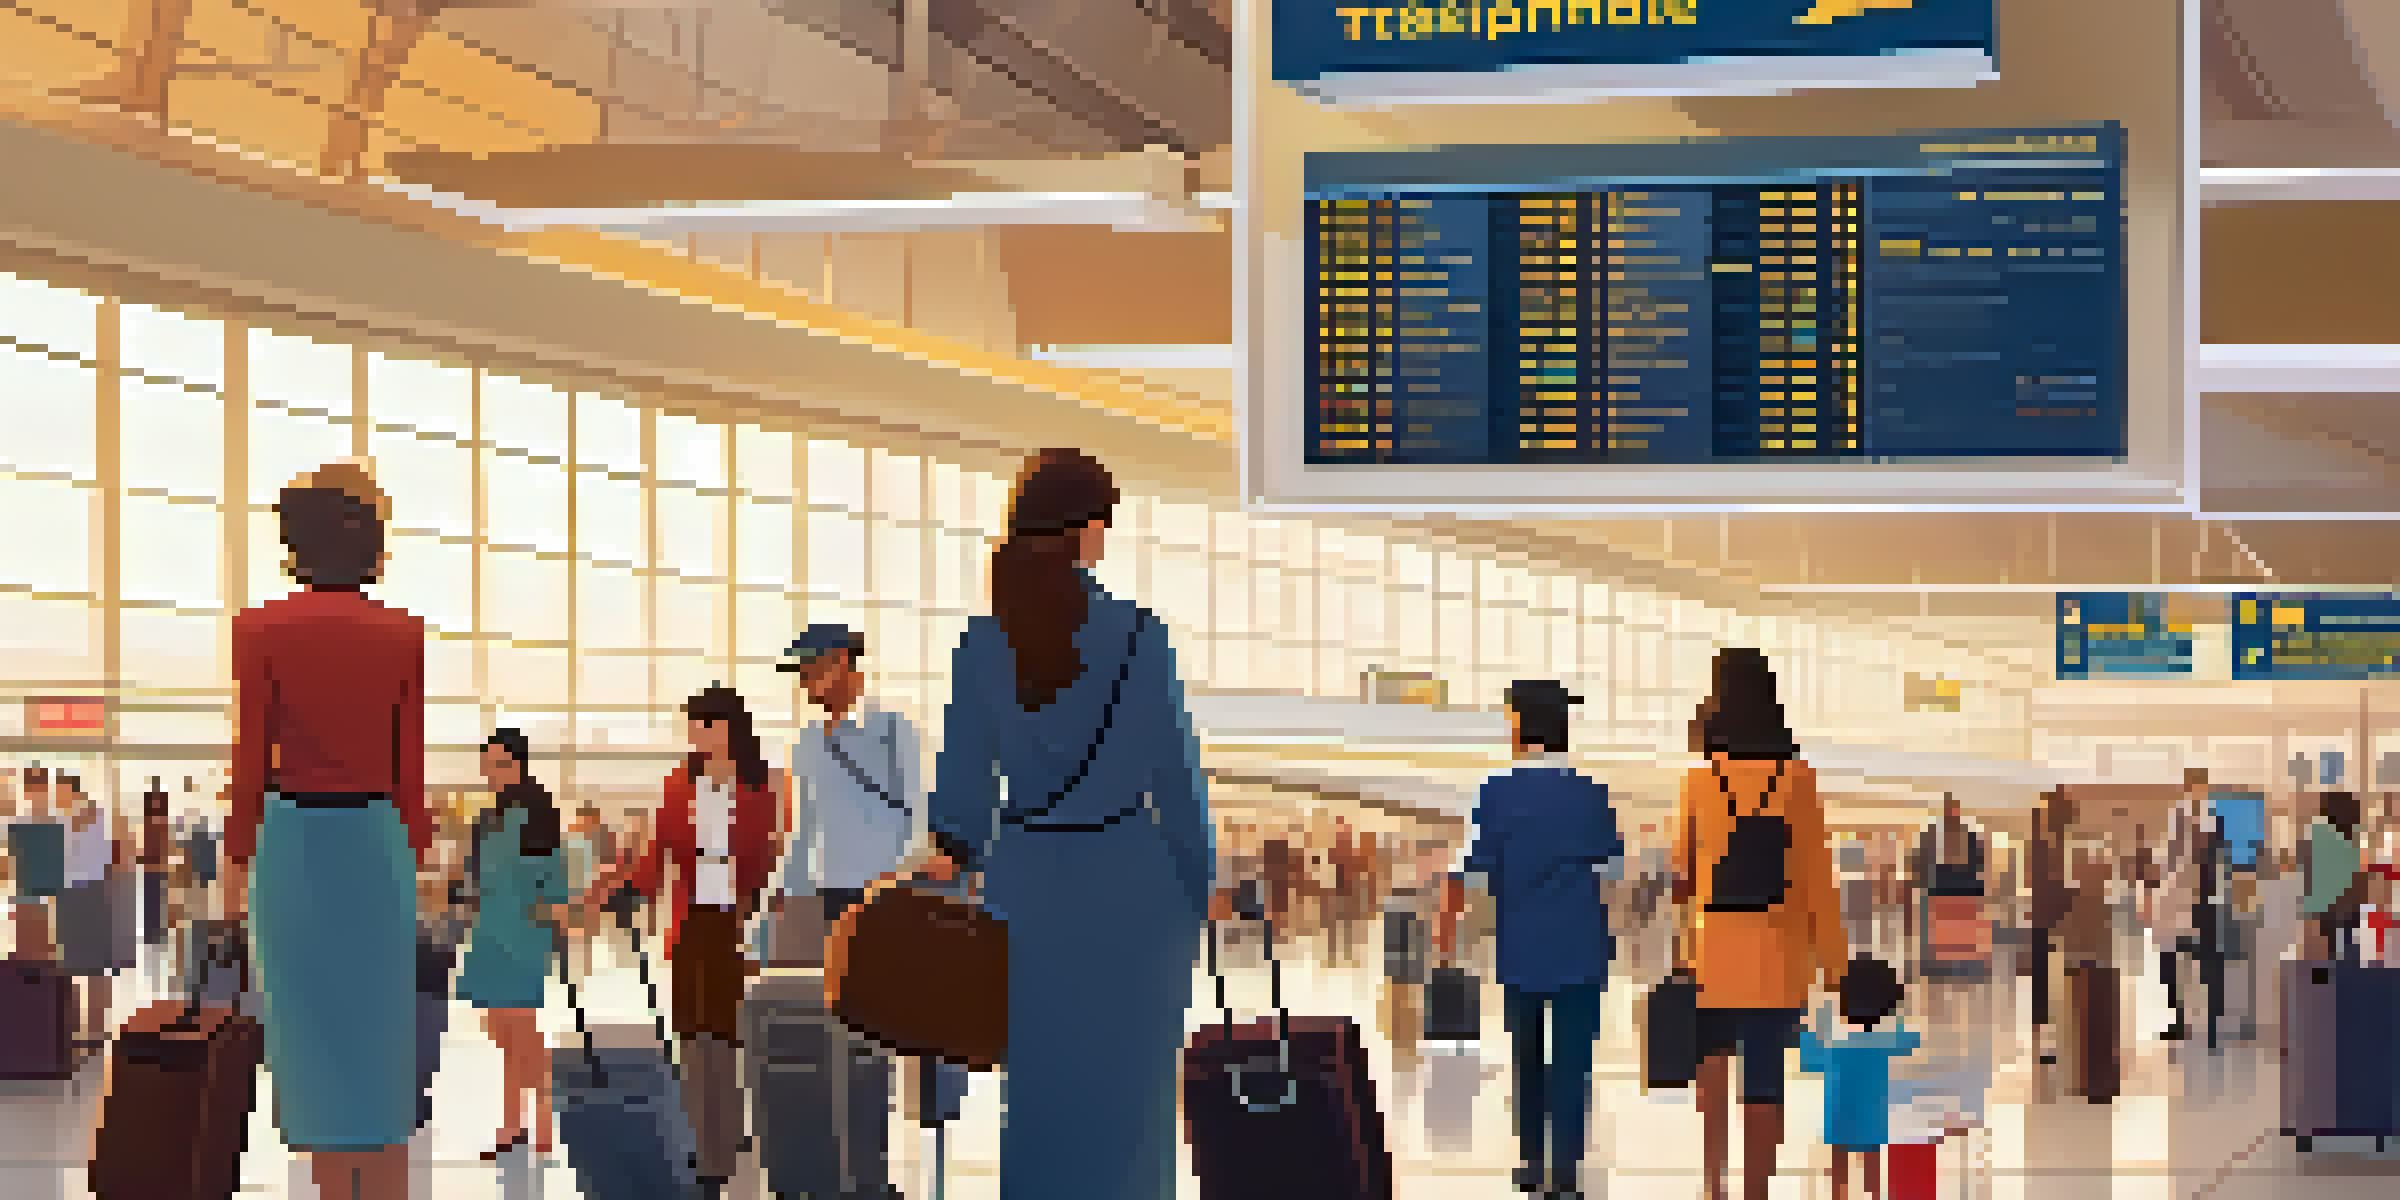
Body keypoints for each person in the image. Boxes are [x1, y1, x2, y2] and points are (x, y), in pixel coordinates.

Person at [918, 448, 1215, 1200]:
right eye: (1102, 525)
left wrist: (950, 862)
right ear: (1082, 531)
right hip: (1131, 886)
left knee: (1041, 1103)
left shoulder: (981, 647)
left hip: (1028, 895)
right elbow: (1177, 783)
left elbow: (962, 796)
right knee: (1131, 1104)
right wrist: (1192, 888)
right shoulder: (1143, 639)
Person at [228, 460, 430, 1200]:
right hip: (375, 843)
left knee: (311, 1043)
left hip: (292, 846)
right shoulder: (402, 634)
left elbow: (251, 760)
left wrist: (236, 862)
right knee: (377, 1049)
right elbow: (408, 769)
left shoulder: (259, 630)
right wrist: (418, 857)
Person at [581, 685, 784, 1197]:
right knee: (693, 1033)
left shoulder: (761, 788)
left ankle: (728, 1134)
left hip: (734, 924)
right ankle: (706, 1143)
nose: (696, 736)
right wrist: (623, 884)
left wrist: (758, 921)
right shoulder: (678, 785)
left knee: (727, 1034)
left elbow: (766, 861)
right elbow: (657, 856)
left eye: (705, 726)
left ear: (730, 729)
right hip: (692, 923)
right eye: (692, 726)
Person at [1674, 648, 1844, 1200]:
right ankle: (1755, 1191)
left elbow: (1683, 870)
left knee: (1712, 1067)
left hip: (1712, 952)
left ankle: (1711, 1182)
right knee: (1765, 1079)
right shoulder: (1797, 779)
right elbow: (1818, 877)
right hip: (1778, 955)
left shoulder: (1700, 781)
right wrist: (1836, 966)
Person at [1460, 679, 1622, 1199]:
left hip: (1519, 946)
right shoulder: (1589, 792)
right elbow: (1613, 869)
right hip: (1579, 946)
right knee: (1573, 1061)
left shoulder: (1495, 791)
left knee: (1527, 1056)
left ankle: (1532, 1162)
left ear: (1520, 725)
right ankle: (1567, 1171)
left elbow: (1477, 873)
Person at [457, 729, 568, 1160]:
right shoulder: (485, 821)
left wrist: (554, 920)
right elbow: (475, 879)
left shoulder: (537, 813)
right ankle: (512, 1123)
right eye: (488, 765)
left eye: (501, 764)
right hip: (488, 931)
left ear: (520, 766)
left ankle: (539, 1118)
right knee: (499, 1026)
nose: (492, 773)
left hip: (522, 932)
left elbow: (553, 878)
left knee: (518, 1023)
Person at [1798, 957, 1920, 1200]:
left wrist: (1812, 1021)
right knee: (1872, 1160)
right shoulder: (1889, 1039)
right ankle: (1874, 1195)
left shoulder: (1834, 1044)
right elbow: (1912, 1042)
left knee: (1839, 1161)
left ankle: (1837, 1195)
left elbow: (1809, 1061)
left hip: (1839, 1110)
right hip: (1873, 1113)